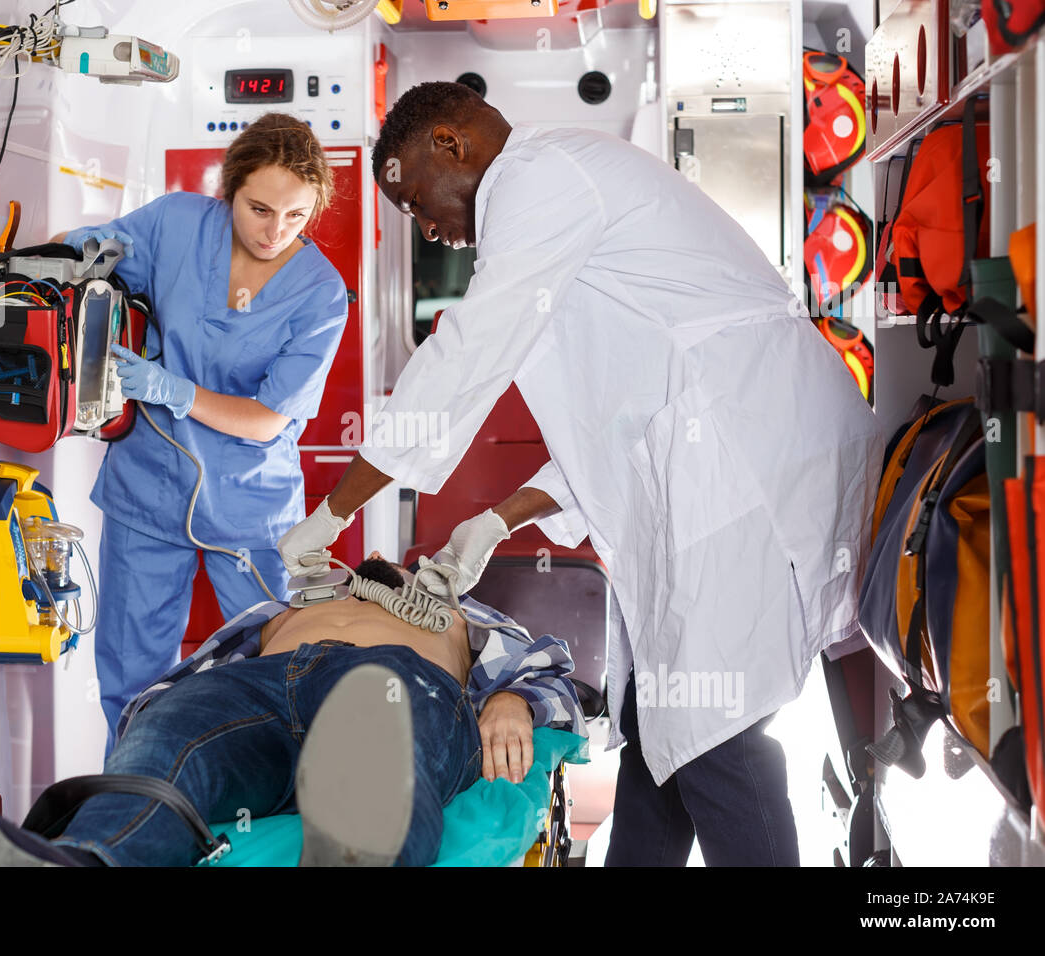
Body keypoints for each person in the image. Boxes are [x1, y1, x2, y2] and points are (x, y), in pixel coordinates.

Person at [277, 82, 886, 866]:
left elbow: (467, 354)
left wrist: (333, 513)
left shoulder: (539, 179)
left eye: (416, 200)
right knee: (663, 723)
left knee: (715, 737)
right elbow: (616, 427)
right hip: (710, 456)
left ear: (451, 146)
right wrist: (500, 518)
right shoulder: (551, 203)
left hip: (743, 459)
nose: (425, 225)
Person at [0, 555, 584, 867]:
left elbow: (551, 674)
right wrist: (153, 731)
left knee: (375, 717)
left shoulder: (460, 617)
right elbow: (175, 690)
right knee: (172, 746)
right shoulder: (279, 609)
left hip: (397, 682)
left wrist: (514, 700)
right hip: (259, 687)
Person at [53, 113, 350, 750]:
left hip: (251, 508)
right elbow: (93, 255)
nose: (275, 232)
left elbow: (271, 416)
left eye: (296, 217)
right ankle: (135, 813)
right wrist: (68, 256)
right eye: (260, 209)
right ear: (229, 190)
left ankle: (265, 825)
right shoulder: (175, 224)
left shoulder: (322, 294)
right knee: (132, 682)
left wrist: (174, 391)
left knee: (275, 677)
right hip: (148, 490)